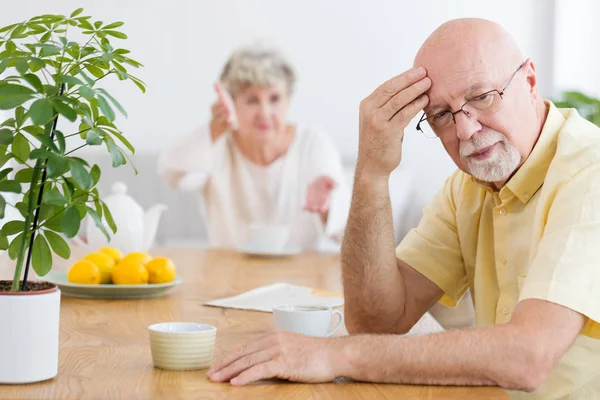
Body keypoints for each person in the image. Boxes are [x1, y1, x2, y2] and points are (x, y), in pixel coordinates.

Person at [207, 18, 600, 399]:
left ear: (529, 81)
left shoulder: (589, 173)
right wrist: (372, 173)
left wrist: (333, 354)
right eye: (442, 115)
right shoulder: (467, 188)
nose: (465, 130)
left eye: (482, 96)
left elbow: (527, 357)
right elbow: (377, 321)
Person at [158, 45, 350, 251]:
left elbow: (344, 228)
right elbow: (172, 173)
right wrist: (213, 130)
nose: (265, 113)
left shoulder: (313, 143)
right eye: (252, 100)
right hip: (229, 274)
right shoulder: (218, 145)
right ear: (232, 103)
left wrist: (326, 203)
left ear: (288, 100)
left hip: (300, 274)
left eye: (274, 99)